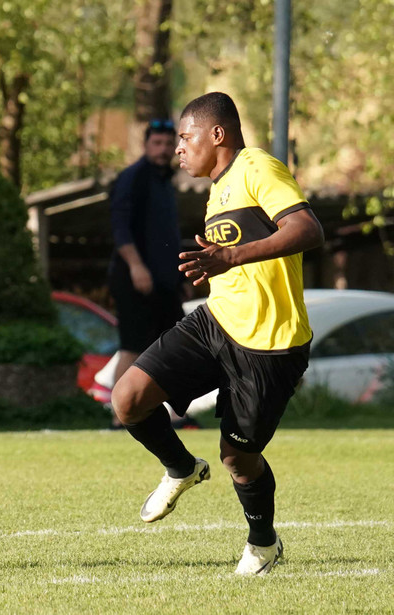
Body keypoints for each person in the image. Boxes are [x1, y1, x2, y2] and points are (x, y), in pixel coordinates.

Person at [111, 92, 323, 575]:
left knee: (238, 459)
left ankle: (263, 543)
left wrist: (230, 257)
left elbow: (308, 229)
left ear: (218, 134)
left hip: (271, 343)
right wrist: (218, 269)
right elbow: (238, 260)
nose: (179, 148)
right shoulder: (217, 189)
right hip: (217, 323)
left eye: (186, 137)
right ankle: (181, 467)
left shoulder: (257, 167)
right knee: (127, 399)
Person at [107, 119, 192, 429]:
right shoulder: (133, 178)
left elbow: (167, 238)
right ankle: (119, 416)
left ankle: (173, 413)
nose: (163, 149)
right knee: (132, 347)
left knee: (173, 347)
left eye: (168, 144)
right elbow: (120, 227)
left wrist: (180, 280)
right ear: (145, 145)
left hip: (165, 283)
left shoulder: (165, 182)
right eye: (157, 143)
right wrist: (136, 266)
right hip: (134, 279)